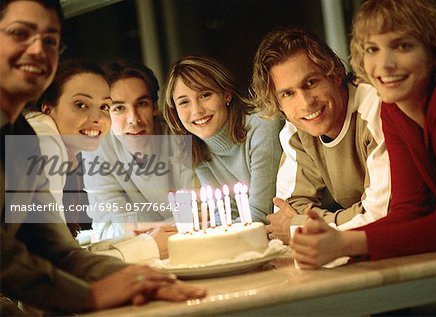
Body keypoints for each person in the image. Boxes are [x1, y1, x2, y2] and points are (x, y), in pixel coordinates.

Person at [0, 0, 205, 314]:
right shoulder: (43, 138)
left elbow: (56, 251)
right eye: (19, 33)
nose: (39, 50)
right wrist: (88, 296)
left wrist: (141, 278)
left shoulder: (24, 136)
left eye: (51, 40)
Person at [290, 0, 436, 269]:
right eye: (372, 49)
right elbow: (410, 209)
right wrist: (335, 240)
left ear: (435, 50)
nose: (384, 64)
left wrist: (346, 243)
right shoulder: (394, 108)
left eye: (403, 46)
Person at [250, 28, 391, 244]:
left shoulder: (375, 108)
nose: (306, 103)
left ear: (334, 75)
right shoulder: (295, 132)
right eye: (288, 94)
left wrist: (301, 226)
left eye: (311, 83)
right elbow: (285, 211)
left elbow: (380, 213)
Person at [162, 55, 283, 224]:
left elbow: (260, 214)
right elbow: (225, 214)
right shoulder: (196, 148)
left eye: (205, 95)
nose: (196, 110)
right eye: (184, 102)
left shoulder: (263, 125)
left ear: (226, 94)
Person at [83, 60, 190, 244]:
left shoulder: (180, 137)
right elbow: (104, 228)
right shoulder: (97, 147)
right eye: (119, 108)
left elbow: (201, 214)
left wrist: (135, 228)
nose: (133, 119)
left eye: (141, 104)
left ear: (155, 107)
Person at [25, 59, 112, 237]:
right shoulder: (45, 142)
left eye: (104, 106)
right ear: (48, 109)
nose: (97, 117)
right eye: (81, 105)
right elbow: (50, 246)